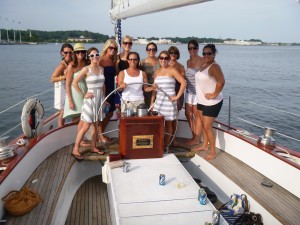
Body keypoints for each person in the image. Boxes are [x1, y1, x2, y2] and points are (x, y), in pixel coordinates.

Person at [71, 47, 106, 160]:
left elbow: (103, 85)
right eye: (92, 55)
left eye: (96, 54)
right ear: (89, 57)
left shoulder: (101, 69)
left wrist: (104, 98)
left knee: (96, 125)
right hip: (90, 100)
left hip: (99, 99)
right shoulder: (86, 69)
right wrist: (83, 94)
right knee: (86, 126)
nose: (95, 57)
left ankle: (93, 147)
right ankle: (75, 148)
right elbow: (74, 83)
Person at [193, 44, 225, 160]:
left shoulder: (215, 66)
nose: (206, 55)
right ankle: (204, 145)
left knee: (207, 126)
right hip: (202, 100)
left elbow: (221, 82)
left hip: (212, 102)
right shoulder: (205, 64)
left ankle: (213, 151)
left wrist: (214, 94)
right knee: (203, 124)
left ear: (214, 54)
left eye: (209, 53)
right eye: (204, 53)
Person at [151, 51, 186, 150]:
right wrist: (152, 102)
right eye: (161, 58)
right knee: (159, 124)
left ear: (169, 60)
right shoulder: (157, 72)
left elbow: (183, 83)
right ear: (159, 59)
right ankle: (159, 144)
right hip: (159, 102)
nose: (163, 60)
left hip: (169, 101)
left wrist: (177, 97)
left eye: (166, 58)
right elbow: (154, 89)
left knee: (169, 123)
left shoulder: (173, 70)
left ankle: (166, 145)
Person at [64, 43, 90, 147]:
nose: (80, 54)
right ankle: (79, 140)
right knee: (77, 117)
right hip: (75, 93)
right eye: (78, 52)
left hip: (85, 91)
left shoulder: (87, 63)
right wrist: (70, 100)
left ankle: (79, 139)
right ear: (74, 53)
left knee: (83, 116)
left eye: (83, 52)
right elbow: (68, 84)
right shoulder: (71, 66)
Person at [185, 40, 205, 146]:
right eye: (189, 48)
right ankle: (194, 136)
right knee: (188, 114)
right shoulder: (188, 61)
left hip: (198, 93)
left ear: (197, 49)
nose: (192, 50)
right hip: (188, 91)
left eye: (194, 48)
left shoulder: (202, 61)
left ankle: (196, 139)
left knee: (197, 115)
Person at [98, 39, 118, 144]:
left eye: (115, 48)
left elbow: (116, 74)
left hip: (111, 89)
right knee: (103, 113)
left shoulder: (113, 61)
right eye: (111, 47)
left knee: (110, 113)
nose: (113, 50)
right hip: (103, 89)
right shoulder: (100, 60)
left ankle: (100, 134)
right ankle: (101, 136)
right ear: (106, 48)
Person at [50, 43, 73, 127]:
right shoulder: (62, 65)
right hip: (63, 90)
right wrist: (64, 76)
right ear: (62, 53)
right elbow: (52, 79)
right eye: (66, 52)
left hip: (70, 89)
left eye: (70, 52)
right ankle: (60, 128)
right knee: (63, 112)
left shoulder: (72, 62)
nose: (68, 54)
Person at [115, 35, 133, 113]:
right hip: (121, 86)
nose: (127, 45)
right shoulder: (117, 58)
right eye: (125, 43)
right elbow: (116, 74)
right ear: (122, 44)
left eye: (129, 43)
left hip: (132, 86)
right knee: (120, 110)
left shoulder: (134, 57)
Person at [141, 42, 160, 108]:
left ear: (156, 50)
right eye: (149, 49)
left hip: (158, 89)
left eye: (153, 49)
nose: (151, 51)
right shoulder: (142, 62)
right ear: (146, 50)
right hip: (146, 89)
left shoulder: (161, 61)